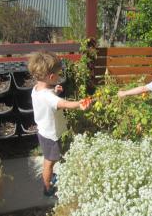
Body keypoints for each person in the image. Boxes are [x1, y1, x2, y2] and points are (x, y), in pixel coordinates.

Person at [28, 51, 90, 197]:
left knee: (50, 159)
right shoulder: (48, 96)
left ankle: (48, 180)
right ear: (51, 77)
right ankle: (47, 187)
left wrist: (54, 90)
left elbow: (48, 98)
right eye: (58, 74)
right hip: (50, 136)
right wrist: (79, 104)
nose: (59, 77)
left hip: (45, 131)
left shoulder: (37, 89)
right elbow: (63, 103)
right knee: (49, 162)